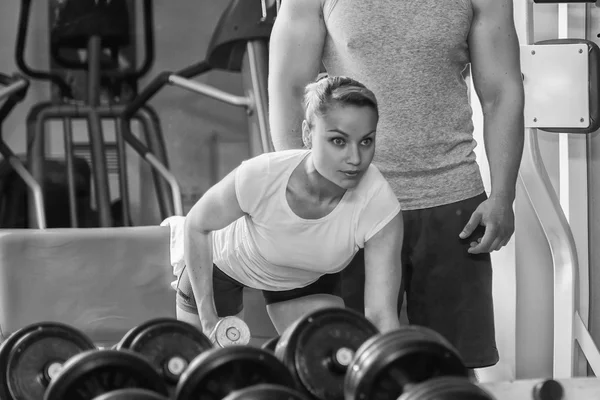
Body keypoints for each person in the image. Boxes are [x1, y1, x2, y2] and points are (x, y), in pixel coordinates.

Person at [268, 0, 524, 371]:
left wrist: (503, 195)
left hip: (450, 201)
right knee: (346, 367)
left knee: (448, 369)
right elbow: (290, 88)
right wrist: (307, 194)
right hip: (350, 203)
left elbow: (501, 91)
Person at [175, 76, 403, 336]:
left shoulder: (378, 202)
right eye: (338, 141)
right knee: (218, 370)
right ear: (308, 134)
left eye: (366, 141)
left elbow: (382, 317)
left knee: (328, 360)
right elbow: (196, 224)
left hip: (304, 280)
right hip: (222, 269)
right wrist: (208, 320)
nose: (355, 159)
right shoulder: (263, 175)